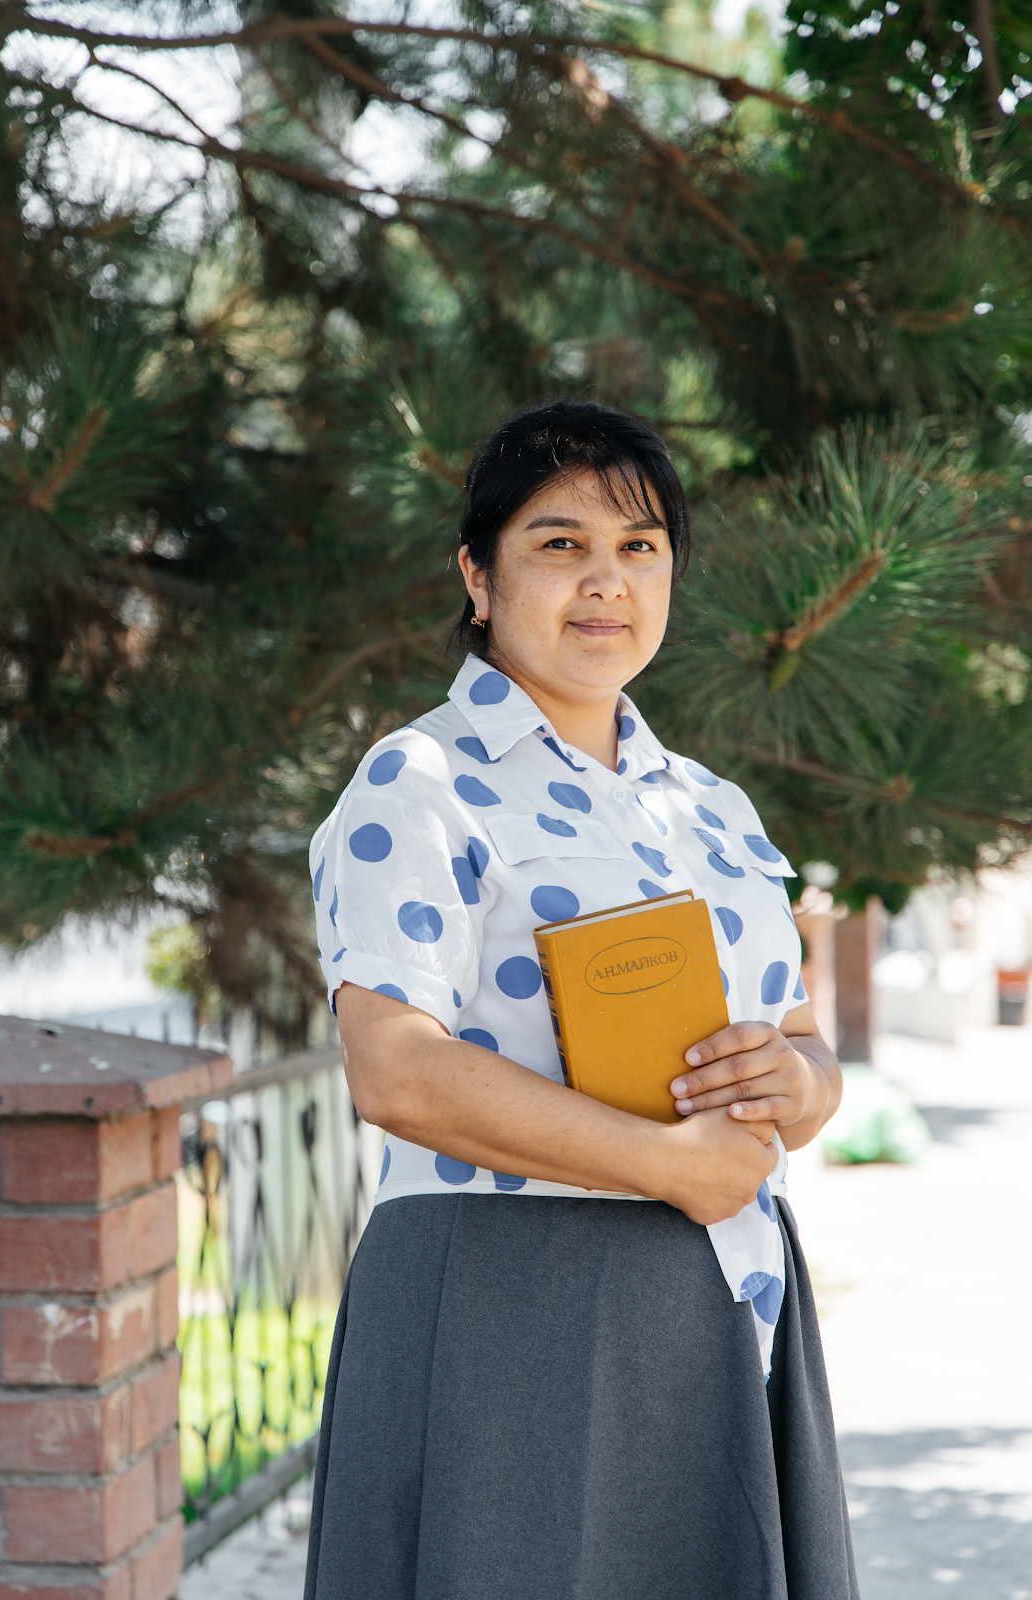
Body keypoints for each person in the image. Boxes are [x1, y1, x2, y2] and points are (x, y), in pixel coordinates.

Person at [304, 399, 858, 1600]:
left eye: (639, 546)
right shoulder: (419, 780)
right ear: (477, 574)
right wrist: (668, 1164)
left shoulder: (712, 806)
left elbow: (806, 1047)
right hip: (507, 1306)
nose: (604, 580)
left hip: (718, 1308)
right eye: (560, 543)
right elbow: (393, 1066)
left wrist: (795, 1083)